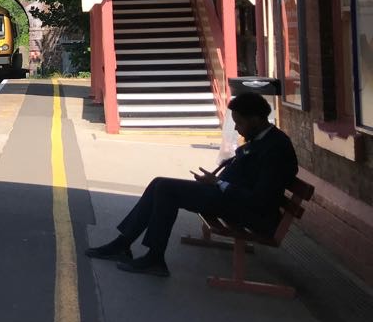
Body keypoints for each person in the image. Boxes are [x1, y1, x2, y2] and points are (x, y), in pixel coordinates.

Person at [85, 92, 298, 277]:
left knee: (167, 191)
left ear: (257, 119)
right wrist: (217, 182)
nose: (238, 130)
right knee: (160, 183)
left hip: (249, 211)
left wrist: (220, 184)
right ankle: (124, 244)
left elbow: (260, 199)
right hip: (228, 197)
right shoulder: (262, 139)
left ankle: (154, 257)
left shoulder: (276, 148)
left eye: (240, 123)